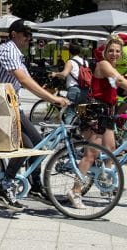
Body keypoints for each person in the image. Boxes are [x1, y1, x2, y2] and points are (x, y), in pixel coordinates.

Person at [0, 19, 69, 211]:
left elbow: (27, 79)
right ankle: (4, 187)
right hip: (1, 109)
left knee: (37, 142)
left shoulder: (15, 52)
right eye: (26, 35)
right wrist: (51, 99)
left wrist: (48, 90)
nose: (28, 39)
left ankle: (35, 186)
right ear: (14, 34)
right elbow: (22, 79)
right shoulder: (8, 50)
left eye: (30, 35)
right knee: (29, 146)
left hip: (11, 107)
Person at [67, 36, 127, 209]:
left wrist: (119, 112)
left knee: (111, 150)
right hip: (93, 111)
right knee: (91, 154)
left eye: (117, 51)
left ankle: (104, 180)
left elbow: (115, 95)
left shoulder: (114, 68)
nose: (114, 54)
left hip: (105, 111)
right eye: (111, 50)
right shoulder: (104, 65)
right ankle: (75, 190)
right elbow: (121, 82)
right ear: (105, 51)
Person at [51, 43, 89, 124]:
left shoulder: (70, 62)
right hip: (85, 90)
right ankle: (79, 133)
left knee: (70, 112)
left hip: (74, 90)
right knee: (81, 114)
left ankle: (68, 133)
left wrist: (55, 74)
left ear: (70, 52)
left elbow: (64, 74)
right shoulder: (85, 62)